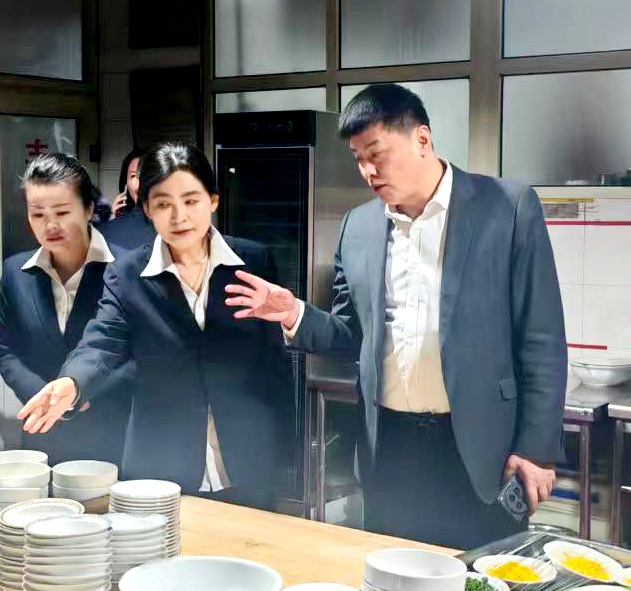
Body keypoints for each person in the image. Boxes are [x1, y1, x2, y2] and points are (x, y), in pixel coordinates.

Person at [226, 84, 566, 550]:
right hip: (390, 448)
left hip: (480, 447)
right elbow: (352, 335)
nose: (368, 171)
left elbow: (542, 336)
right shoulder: (359, 226)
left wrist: (536, 449)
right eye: (358, 159)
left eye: (377, 154)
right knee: (393, 579)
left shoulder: (506, 208)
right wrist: (294, 313)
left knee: (481, 581)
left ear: (421, 139)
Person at [18, 141, 296, 510]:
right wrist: (72, 382)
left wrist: (286, 445)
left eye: (191, 201)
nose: (179, 216)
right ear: (147, 208)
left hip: (248, 454)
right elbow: (102, 342)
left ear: (213, 201)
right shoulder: (127, 273)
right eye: (163, 204)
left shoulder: (253, 262)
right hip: (162, 460)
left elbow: (273, 361)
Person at [0, 153, 132, 465]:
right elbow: (5, 350)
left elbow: (144, 353)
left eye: (62, 212)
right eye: (37, 214)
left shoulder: (127, 268)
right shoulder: (16, 271)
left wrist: (82, 393)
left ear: (88, 209)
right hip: (43, 432)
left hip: (115, 431)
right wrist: (45, 397)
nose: (50, 225)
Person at [99, 147, 157, 251]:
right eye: (133, 175)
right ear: (126, 184)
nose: (139, 182)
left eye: (145, 173)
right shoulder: (113, 228)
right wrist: (113, 220)